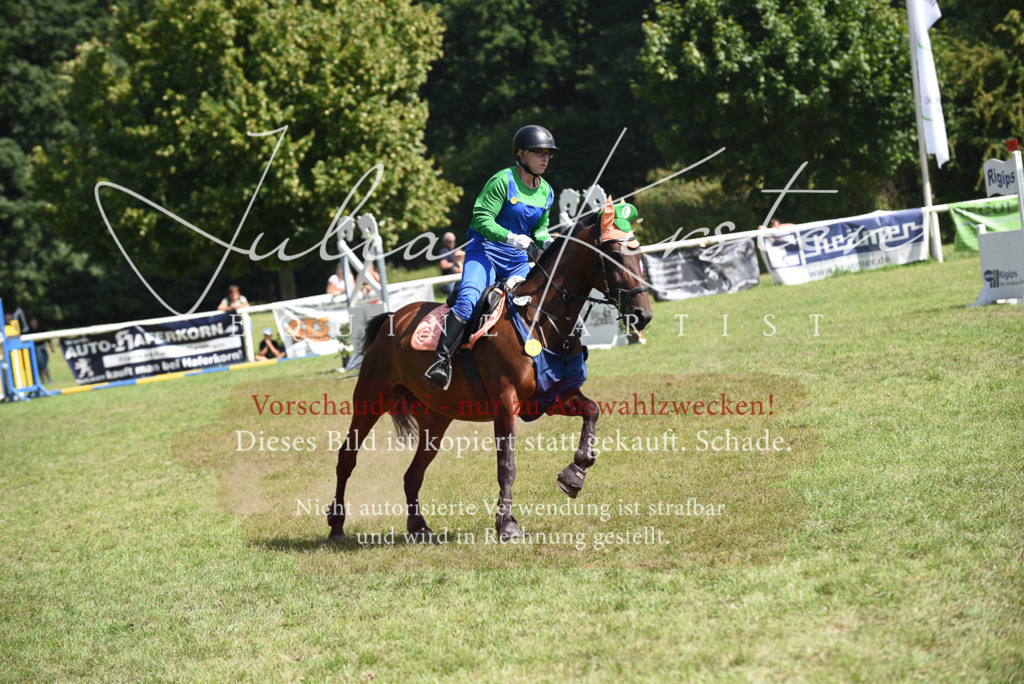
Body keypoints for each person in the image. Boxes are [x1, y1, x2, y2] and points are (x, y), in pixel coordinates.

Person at [424, 124, 557, 389]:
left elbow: (540, 229)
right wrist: (510, 237)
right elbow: (481, 219)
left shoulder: (547, 192)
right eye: (538, 152)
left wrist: (549, 241)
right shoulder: (502, 181)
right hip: (485, 252)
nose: (545, 158)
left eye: (548, 154)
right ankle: (441, 363)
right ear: (521, 154)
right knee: (468, 299)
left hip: (518, 261)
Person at [438, 232, 465, 296]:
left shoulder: (454, 250)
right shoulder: (443, 251)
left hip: (457, 277)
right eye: (450, 241)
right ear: (445, 241)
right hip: (450, 280)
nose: (452, 243)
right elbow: (443, 265)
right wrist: (456, 263)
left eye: (453, 241)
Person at [28, 317, 51, 384]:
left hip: (41, 349)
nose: (33, 323)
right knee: (38, 366)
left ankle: (49, 379)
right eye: (32, 322)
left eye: (34, 321)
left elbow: (48, 338)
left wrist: (51, 347)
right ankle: (42, 381)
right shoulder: (29, 331)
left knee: (44, 365)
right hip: (34, 349)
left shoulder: (41, 329)